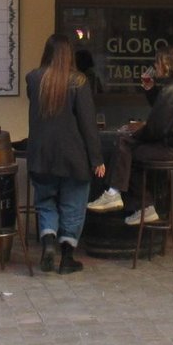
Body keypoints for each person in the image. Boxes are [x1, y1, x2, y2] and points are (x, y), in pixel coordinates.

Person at [87, 44, 173, 226]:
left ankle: (116, 194)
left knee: (125, 146)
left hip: (172, 149)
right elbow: (163, 109)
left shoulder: (171, 90)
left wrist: (135, 132)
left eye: (157, 63)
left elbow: (155, 128)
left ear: (166, 64)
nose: (155, 67)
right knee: (131, 153)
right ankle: (143, 205)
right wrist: (150, 90)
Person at [26, 33, 105, 275]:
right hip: (73, 156)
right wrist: (97, 159)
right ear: (69, 55)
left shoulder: (34, 78)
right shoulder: (79, 82)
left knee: (45, 202)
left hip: (41, 155)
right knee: (73, 205)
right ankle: (67, 258)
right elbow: (87, 124)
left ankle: (48, 242)